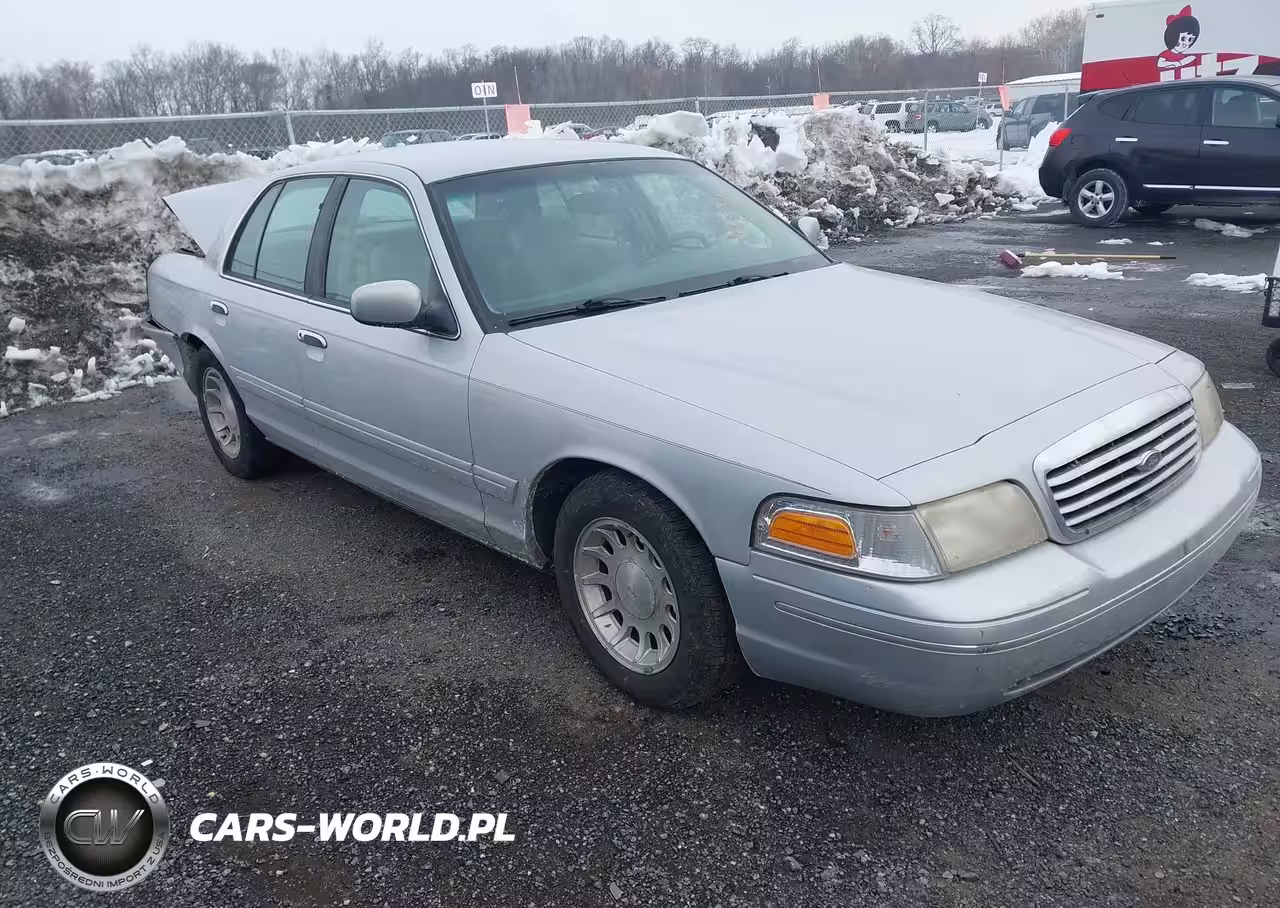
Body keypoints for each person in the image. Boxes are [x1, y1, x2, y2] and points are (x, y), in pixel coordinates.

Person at [1158, 5, 1201, 72]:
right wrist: (1175, 64)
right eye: (1183, 39)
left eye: (1190, 40)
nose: (1185, 43)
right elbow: (1160, 64)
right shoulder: (1166, 53)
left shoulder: (1181, 55)